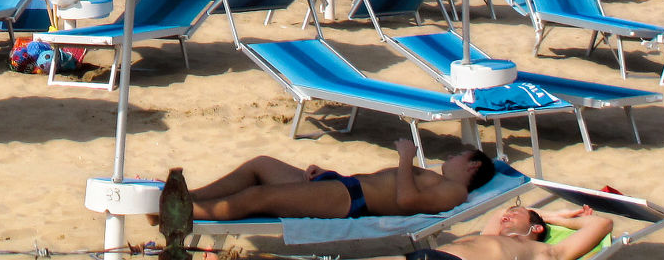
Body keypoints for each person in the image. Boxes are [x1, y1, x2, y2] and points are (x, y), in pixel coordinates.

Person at [183, 141, 492, 221]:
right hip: (340, 186)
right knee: (261, 166)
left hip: (350, 199)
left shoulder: (454, 190)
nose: (450, 158)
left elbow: (407, 201)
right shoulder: (434, 179)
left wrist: (405, 158)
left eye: (457, 156)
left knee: (258, 197)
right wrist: (327, 174)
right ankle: (189, 196)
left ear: (472, 166)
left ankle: (181, 212)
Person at [406, 203, 613, 260]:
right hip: (423, 256)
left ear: (536, 228)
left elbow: (602, 223)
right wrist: (551, 215)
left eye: (516, 214)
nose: (507, 216)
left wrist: (562, 220)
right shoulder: (489, 236)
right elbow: (499, 212)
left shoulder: (545, 252)